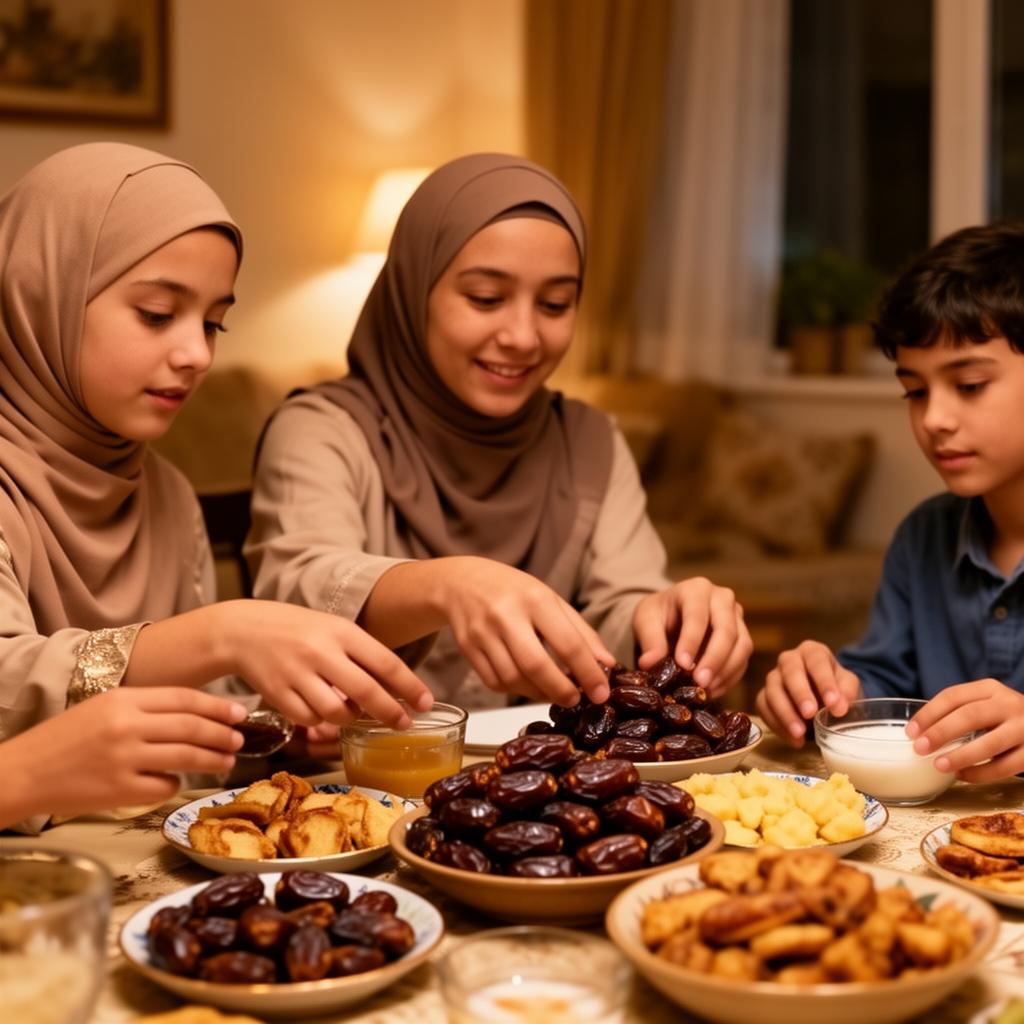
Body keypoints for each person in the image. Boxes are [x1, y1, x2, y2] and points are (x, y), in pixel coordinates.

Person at [247, 152, 751, 743]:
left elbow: (620, 609)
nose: (522, 337)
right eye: (486, 298)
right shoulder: (323, 428)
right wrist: (448, 586)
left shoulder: (588, 440)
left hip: (541, 803)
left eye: (556, 304)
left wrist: (665, 620)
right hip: (355, 785)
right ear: (414, 290)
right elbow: (299, 588)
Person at [0, 143, 433, 830]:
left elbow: (195, 743)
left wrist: (277, 727)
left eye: (212, 322)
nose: (196, 355)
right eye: (156, 313)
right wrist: (221, 632)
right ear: (40, 294)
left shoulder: (165, 494)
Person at [755, 221, 1024, 783]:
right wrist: (827, 688)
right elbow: (883, 682)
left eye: (970, 384)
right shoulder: (923, 536)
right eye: (915, 391)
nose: (934, 420)